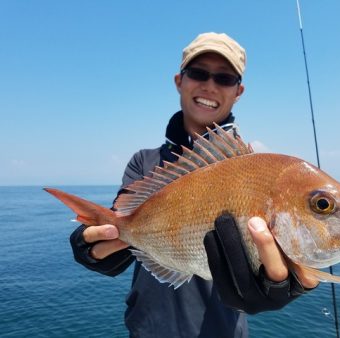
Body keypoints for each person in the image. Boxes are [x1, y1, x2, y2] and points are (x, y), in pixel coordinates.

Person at [70, 32, 319, 337]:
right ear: (180, 81)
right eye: (198, 73)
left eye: (224, 78)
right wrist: (93, 247)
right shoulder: (144, 163)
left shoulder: (253, 171)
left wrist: (278, 285)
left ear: (238, 91)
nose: (209, 85)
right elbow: (119, 236)